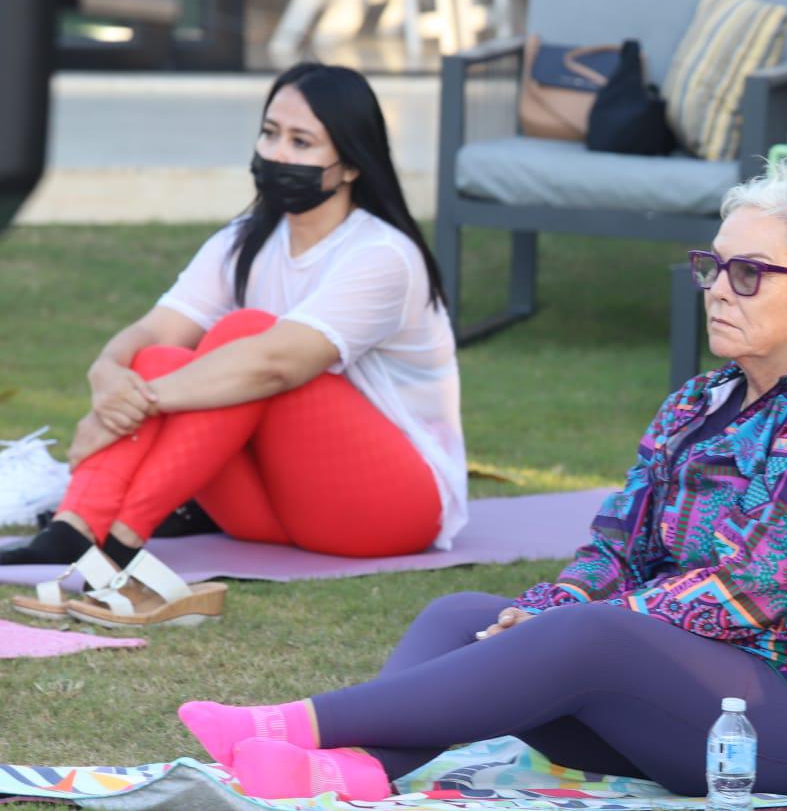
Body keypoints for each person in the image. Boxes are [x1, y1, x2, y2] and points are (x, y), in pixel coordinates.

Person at [174, 174, 787, 802]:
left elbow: (750, 592)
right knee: (463, 613)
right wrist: (542, 612)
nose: (720, 290)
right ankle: (360, 772)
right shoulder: (698, 402)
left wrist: (568, 626)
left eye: (748, 273)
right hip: (680, 705)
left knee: (591, 630)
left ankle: (294, 725)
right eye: (713, 266)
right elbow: (613, 552)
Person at [3, 63, 466, 627]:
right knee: (158, 358)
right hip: (274, 514)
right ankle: (73, 530)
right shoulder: (242, 242)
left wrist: (134, 403)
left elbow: (275, 364)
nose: (277, 153)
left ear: (350, 164)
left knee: (245, 337)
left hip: (390, 508)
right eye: (270, 133)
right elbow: (152, 333)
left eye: (301, 142)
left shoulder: (381, 256)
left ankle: (119, 548)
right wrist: (107, 376)